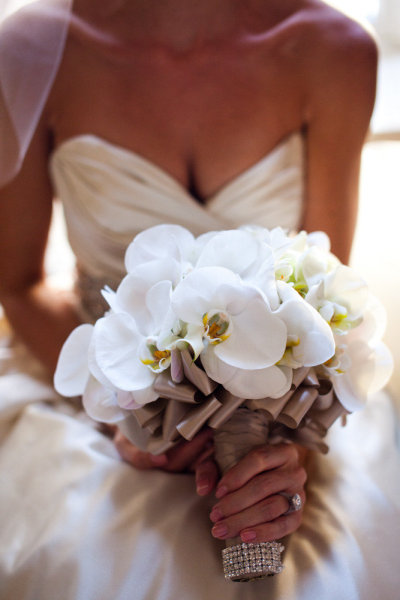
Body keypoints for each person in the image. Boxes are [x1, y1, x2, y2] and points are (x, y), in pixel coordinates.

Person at [0, 1, 399, 599]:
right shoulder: (31, 49)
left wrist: (276, 447)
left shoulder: (335, 50)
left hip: (282, 404)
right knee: (88, 557)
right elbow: (18, 282)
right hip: (97, 385)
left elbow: (318, 297)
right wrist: (126, 408)